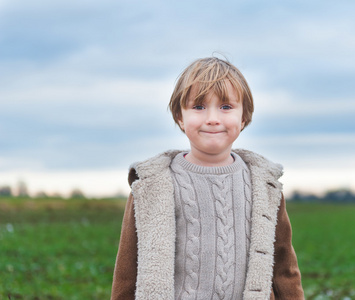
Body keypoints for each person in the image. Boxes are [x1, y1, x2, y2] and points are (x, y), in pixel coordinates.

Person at [111, 57, 304, 300]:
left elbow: (284, 270)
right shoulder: (152, 186)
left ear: (243, 117)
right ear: (180, 117)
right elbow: (127, 274)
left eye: (226, 107)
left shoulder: (264, 187)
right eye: (199, 107)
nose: (212, 118)